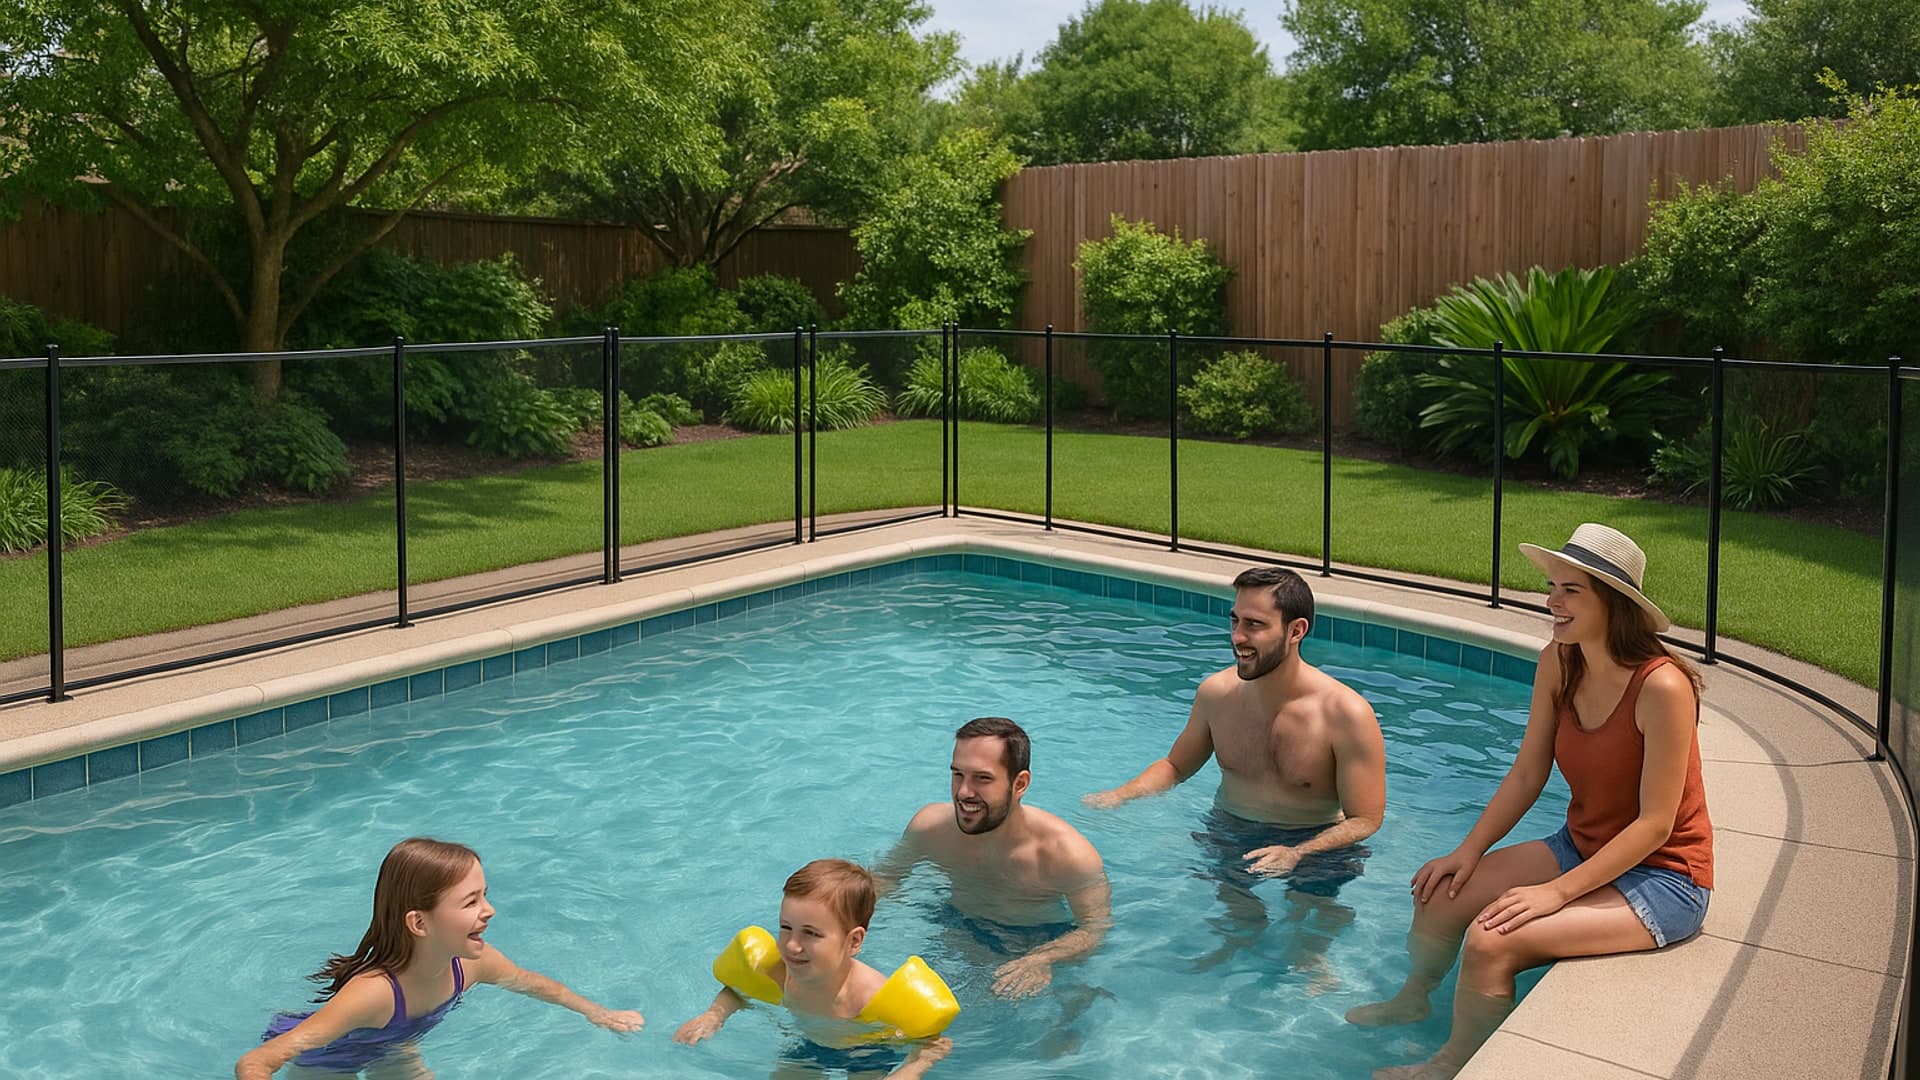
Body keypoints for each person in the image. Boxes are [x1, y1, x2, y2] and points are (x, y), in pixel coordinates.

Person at [1348, 523, 1713, 1080]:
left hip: (1664, 877)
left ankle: (1452, 1064)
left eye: (1570, 590)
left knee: (1492, 941)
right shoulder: (1559, 661)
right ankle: (1413, 998)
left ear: (1614, 603)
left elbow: (1656, 825)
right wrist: (1467, 852)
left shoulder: (1661, 687)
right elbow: (1527, 774)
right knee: (1441, 895)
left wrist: (1555, 894)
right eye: (1552, 586)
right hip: (1582, 845)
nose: (1551, 601)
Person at [1084, 566, 1385, 981]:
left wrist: (1298, 853)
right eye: (1235, 621)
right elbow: (1176, 766)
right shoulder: (1217, 694)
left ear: (1296, 630)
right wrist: (1121, 795)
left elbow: (1366, 818)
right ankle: (1241, 938)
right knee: (1239, 913)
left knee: (1310, 916)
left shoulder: (1345, 714)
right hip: (1232, 829)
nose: (1237, 637)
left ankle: (1312, 957)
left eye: (1255, 625)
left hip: (1315, 840)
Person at [236, 837, 642, 1080]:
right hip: (329, 1060)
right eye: (470, 901)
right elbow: (257, 1061)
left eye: (484, 894)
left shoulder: (470, 964)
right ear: (419, 922)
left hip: (394, 1044)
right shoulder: (372, 995)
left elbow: (532, 982)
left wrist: (597, 1012)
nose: (490, 909)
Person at [873, 717, 1111, 1000]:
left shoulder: (1068, 856)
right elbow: (883, 881)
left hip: (1035, 940)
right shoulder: (930, 827)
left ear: (1020, 784)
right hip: (955, 925)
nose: (963, 792)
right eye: (957, 774)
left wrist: (1043, 958)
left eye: (982, 778)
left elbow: (1095, 928)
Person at [672, 859, 954, 1080]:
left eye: (811, 934)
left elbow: (934, 1043)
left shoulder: (871, 995)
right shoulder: (778, 970)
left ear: (853, 940)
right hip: (810, 1045)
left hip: (867, 1054)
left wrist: (912, 1069)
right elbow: (738, 990)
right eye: (786, 928)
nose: (793, 946)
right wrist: (714, 1015)